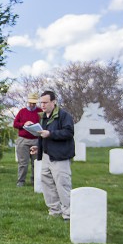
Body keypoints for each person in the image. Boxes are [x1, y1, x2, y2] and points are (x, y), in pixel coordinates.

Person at [30, 91, 75, 222]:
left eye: (45, 102)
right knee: (47, 183)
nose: (42, 105)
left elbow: (68, 132)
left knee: (62, 184)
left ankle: (68, 214)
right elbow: (43, 135)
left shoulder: (64, 115)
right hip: (46, 156)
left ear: (54, 102)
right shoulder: (43, 117)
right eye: (41, 103)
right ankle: (54, 211)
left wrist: (50, 134)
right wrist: (38, 147)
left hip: (60, 156)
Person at [13, 93, 42, 187]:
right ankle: (21, 181)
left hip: (36, 140)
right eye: (30, 103)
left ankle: (35, 181)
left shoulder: (40, 112)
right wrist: (24, 124)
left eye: (34, 103)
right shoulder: (22, 111)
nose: (32, 105)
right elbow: (15, 124)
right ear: (28, 102)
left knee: (36, 162)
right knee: (23, 163)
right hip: (23, 140)